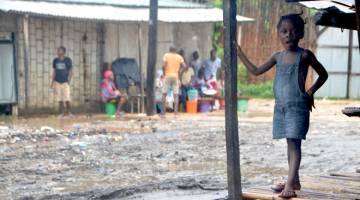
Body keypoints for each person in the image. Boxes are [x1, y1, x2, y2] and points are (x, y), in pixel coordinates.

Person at [237, 13, 328, 198]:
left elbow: (323, 74)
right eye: (284, 31)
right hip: (281, 108)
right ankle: (293, 180)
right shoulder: (277, 57)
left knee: (294, 145)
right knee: (290, 143)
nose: (289, 35)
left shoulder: (304, 56)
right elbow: (255, 71)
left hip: (298, 107)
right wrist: (239, 53)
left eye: (293, 32)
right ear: (278, 33)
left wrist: (310, 92)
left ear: (301, 34)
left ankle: (289, 184)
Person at [162, 46, 185, 114]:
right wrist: (179, 72)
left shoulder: (166, 55)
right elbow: (184, 66)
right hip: (175, 77)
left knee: (164, 94)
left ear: (169, 50)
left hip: (167, 76)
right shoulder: (179, 57)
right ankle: (175, 111)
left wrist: (164, 73)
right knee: (176, 95)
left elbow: (163, 66)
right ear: (175, 50)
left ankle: (163, 111)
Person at [51, 46, 73, 118]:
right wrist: (52, 81)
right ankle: (62, 113)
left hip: (65, 82)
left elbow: (70, 70)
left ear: (63, 52)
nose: (58, 52)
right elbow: (54, 71)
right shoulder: (55, 60)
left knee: (67, 98)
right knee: (59, 99)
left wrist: (69, 80)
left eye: (59, 50)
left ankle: (69, 112)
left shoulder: (68, 60)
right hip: (57, 81)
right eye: (57, 50)